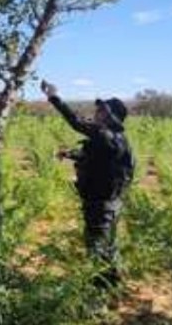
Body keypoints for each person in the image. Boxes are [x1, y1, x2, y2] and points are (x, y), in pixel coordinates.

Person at [42, 80, 135, 288]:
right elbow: (93, 157)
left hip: (101, 206)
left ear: (110, 117)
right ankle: (113, 284)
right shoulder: (115, 140)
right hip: (109, 204)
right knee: (108, 245)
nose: (97, 112)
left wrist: (54, 97)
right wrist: (69, 154)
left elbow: (75, 122)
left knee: (97, 250)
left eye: (101, 110)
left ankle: (99, 296)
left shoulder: (106, 136)